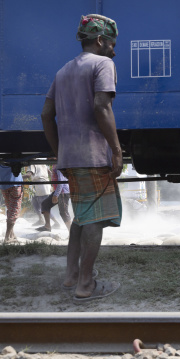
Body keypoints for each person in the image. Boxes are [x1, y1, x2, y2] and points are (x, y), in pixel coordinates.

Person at [40, 14, 123, 302]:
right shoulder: (103, 64)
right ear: (100, 41)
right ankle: (86, 285)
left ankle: (71, 277)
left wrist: (57, 150)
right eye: (112, 43)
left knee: (81, 217)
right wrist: (116, 149)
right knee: (95, 220)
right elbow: (102, 107)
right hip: (94, 155)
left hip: (70, 156)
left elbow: (45, 115)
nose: (114, 49)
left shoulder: (63, 71)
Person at [0, 165, 24, 243]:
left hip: (4, 186)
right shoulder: (15, 158)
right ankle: (7, 237)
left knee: (10, 209)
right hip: (15, 185)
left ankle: (12, 235)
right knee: (13, 212)